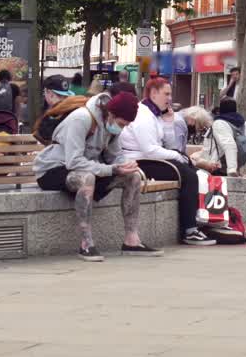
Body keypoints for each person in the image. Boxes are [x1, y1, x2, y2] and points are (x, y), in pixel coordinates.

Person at [32, 91, 163, 261]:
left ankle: (132, 240)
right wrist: (112, 170)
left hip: (87, 167)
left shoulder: (112, 126)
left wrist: (125, 165)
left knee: (133, 177)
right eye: (121, 124)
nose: (121, 128)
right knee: (87, 178)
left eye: (125, 126)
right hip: (53, 169)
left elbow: (114, 155)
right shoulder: (82, 119)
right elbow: (74, 162)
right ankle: (86, 244)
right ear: (111, 114)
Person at [120, 77, 215, 246]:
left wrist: (170, 122)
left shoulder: (154, 114)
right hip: (140, 161)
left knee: (190, 170)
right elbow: (150, 149)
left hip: (148, 158)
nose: (170, 98)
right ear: (154, 93)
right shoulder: (143, 115)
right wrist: (177, 156)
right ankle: (190, 229)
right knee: (188, 175)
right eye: (167, 94)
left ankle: (195, 223)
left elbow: (170, 144)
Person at [195, 98, 246, 177]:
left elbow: (229, 145)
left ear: (220, 110)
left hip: (215, 168)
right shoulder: (245, 124)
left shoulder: (219, 123)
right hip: (236, 167)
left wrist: (231, 170)